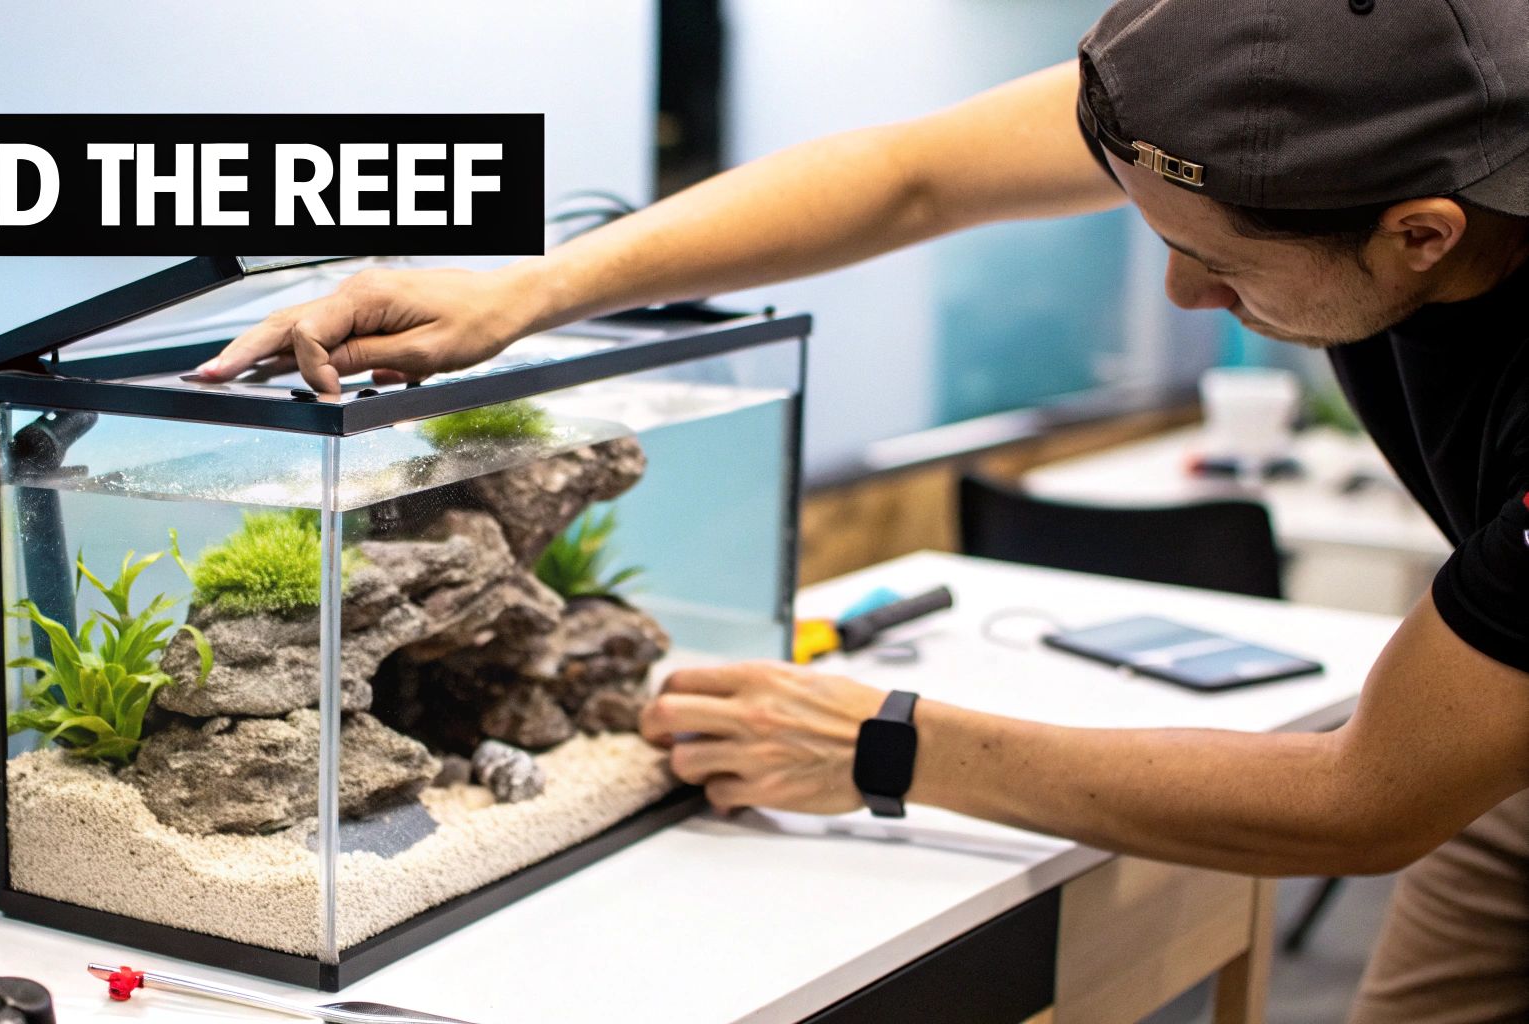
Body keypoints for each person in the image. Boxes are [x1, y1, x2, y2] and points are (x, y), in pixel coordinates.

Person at [200, 2, 1529, 1018]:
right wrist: (530, 293)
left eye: (1224, 265)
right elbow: (913, 175)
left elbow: (1365, 802)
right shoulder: (1328, 87)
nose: (1181, 295)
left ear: (1423, 232)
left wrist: (884, 746)